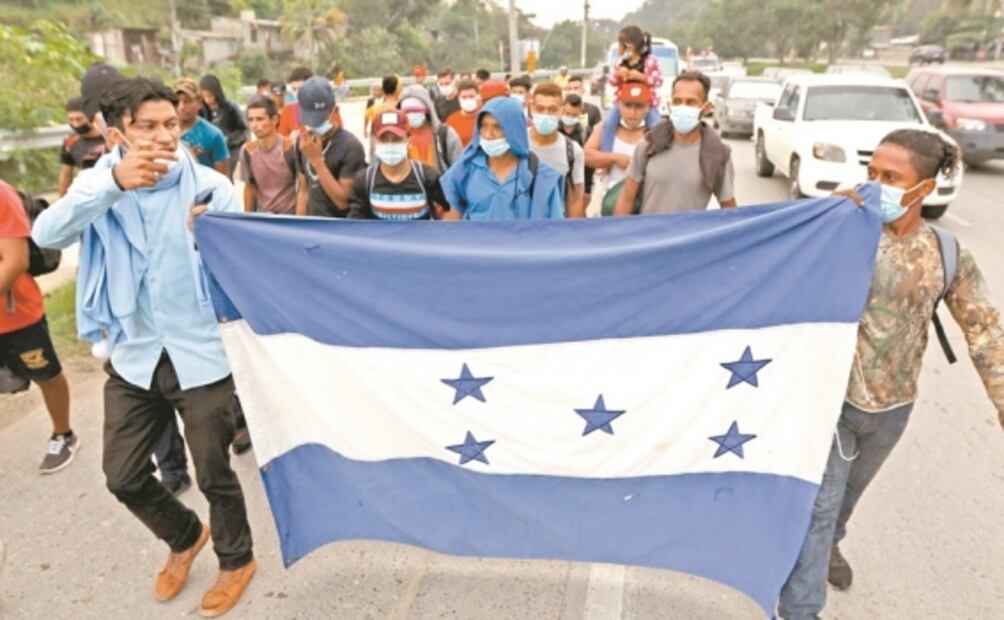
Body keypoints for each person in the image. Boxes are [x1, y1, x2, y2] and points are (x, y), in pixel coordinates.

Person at [32, 76, 256, 617]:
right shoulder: (98, 188)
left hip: (201, 354)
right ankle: (184, 536)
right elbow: (45, 235)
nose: (162, 137)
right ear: (116, 135)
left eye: (171, 125)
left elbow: (251, 263)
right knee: (123, 475)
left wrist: (220, 235)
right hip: (134, 354)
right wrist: (112, 184)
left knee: (213, 471)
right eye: (147, 127)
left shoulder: (210, 189)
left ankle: (236, 560)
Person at [777, 128, 1004, 620]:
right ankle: (800, 609)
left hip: (891, 410)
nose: (875, 185)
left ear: (922, 189)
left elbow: (986, 332)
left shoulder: (946, 254)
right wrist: (825, 216)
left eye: (891, 177)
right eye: (872, 173)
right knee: (818, 508)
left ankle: (832, 543)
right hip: (832, 404)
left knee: (845, 502)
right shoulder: (840, 228)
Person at [0, 179, 77, 474]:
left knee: (46, 373)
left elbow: (15, 260)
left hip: (16, 315)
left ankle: (64, 434)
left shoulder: (1, 194)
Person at [614, 72, 736, 216]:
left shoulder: (717, 155)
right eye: (677, 101)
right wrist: (618, 232)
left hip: (688, 238)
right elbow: (627, 198)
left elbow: (730, 210)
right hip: (647, 236)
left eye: (691, 102)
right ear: (670, 104)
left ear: (706, 108)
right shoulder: (649, 145)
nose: (682, 107)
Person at [439, 96, 564, 221]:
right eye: (483, 126)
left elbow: (554, 231)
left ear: (514, 130)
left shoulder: (541, 176)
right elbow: (450, 226)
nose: (488, 135)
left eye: (497, 127)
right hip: (475, 240)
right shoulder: (465, 169)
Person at [349, 109, 451, 221]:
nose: (390, 145)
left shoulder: (427, 176)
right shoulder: (365, 180)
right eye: (384, 139)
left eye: (397, 139)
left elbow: (449, 209)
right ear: (376, 142)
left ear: (409, 140)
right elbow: (356, 223)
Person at [294, 77, 367, 218]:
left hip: (339, 230)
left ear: (335, 111)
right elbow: (304, 191)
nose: (315, 125)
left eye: (320, 119)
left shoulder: (350, 146)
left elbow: (343, 202)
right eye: (310, 120)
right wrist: (299, 226)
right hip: (312, 227)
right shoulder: (302, 142)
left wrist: (317, 161)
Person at [584, 81, 654, 216]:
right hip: (610, 199)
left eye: (639, 106)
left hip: (645, 203)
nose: (632, 112)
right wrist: (615, 158)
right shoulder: (605, 129)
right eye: (628, 105)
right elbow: (586, 156)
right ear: (619, 106)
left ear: (647, 108)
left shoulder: (656, 134)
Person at [528, 82, 585, 218]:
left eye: (552, 109)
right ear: (531, 109)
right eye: (540, 109)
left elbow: (575, 199)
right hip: (521, 226)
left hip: (555, 227)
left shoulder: (572, 150)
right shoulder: (518, 142)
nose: (545, 115)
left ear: (561, 111)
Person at [239, 96, 297, 215]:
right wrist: (248, 220)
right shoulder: (247, 151)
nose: (254, 125)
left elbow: (303, 188)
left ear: (274, 120)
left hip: (291, 216)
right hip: (264, 217)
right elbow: (250, 188)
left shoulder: (290, 148)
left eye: (260, 119)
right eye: (251, 120)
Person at [397, 85, 464, 174]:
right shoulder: (398, 138)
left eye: (416, 110)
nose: (412, 114)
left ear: (427, 109)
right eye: (407, 111)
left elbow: (459, 169)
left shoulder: (445, 134)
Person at [607, 26, 663, 129]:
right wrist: (618, 75)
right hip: (623, 102)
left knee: (657, 126)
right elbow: (611, 81)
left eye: (620, 45)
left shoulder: (651, 61)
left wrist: (642, 77)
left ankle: (657, 145)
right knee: (609, 123)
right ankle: (607, 145)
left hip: (647, 103)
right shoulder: (619, 62)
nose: (618, 49)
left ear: (629, 47)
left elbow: (659, 81)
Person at [173, 78, 229, 175]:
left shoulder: (213, 135)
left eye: (187, 101)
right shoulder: (163, 133)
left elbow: (223, 178)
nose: (181, 106)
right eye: (177, 101)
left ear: (199, 102)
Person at [198, 74, 248, 176]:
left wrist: (228, 139)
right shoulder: (201, 109)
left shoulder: (230, 107)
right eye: (204, 97)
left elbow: (243, 130)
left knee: (225, 176)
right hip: (209, 150)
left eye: (209, 96)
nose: (207, 100)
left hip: (230, 149)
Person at [58, 96, 108, 196]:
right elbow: (66, 175)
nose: (75, 124)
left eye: (79, 119)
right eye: (71, 120)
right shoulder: (70, 143)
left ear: (92, 117)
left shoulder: (109, 138)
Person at [559, 93, 594, 209]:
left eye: (574, 115)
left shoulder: (585, 132)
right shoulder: (553, 129)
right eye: (567, 113)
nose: (569, 118)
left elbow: (589, 164)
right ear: (562, 108)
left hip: (576, 185)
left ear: (580, 112)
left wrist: (588, 190)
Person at [444, 79, 481, 146]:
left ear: (478, 96)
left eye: (471, 96)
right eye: (464, 97)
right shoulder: (451, 120)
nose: (468, 99)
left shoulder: (485, 117)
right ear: (458, 98)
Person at [279, 66, 313, 137]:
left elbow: (338, 137)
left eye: (301, 89)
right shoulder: (288, 111)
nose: (297, 93)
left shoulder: (328, 109)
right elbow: (281, 141)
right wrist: (290, 138)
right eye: (294, 89)